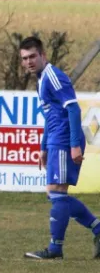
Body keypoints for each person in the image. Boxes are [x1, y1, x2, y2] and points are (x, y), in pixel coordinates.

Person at [20, 36, 100, 260]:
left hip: (65, 141)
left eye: (33, 56)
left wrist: (74, 145)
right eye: (25, 58)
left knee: (57, 193)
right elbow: (50, 116)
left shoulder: (53, 76)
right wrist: (43, 147)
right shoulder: (41, 79)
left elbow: (73, 109)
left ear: (43, 55)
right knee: (55, 194)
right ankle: (97, 229)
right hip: (56, 140)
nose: (29, 62)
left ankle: (55, 248)